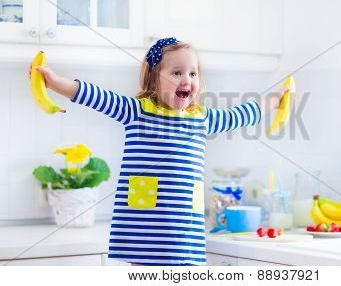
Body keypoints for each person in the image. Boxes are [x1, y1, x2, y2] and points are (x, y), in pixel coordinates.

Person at [30, 37, 289, 266]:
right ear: (154, 78)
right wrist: (55, 83)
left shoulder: (202, 118)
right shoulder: (137, 111)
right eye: (177, 72)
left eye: (193, 73)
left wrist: (273, 101)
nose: (187, 79)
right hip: (143, 236)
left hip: (184, 237)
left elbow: (240, 115)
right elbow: (94, 95)